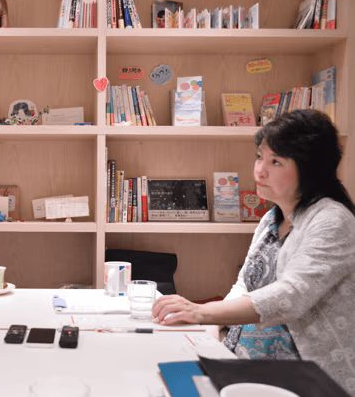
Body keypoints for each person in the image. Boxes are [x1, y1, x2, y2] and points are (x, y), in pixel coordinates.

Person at [152, 109, 355, 393]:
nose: (260, 170)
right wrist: (210, 330)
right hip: (243, 366)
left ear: (311, 168)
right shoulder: (272, 218)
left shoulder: (332, 219)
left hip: (306, 379)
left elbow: (291, 295)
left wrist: (202, 312)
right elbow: (245, 285)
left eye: (276, 161)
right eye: (260, 157)